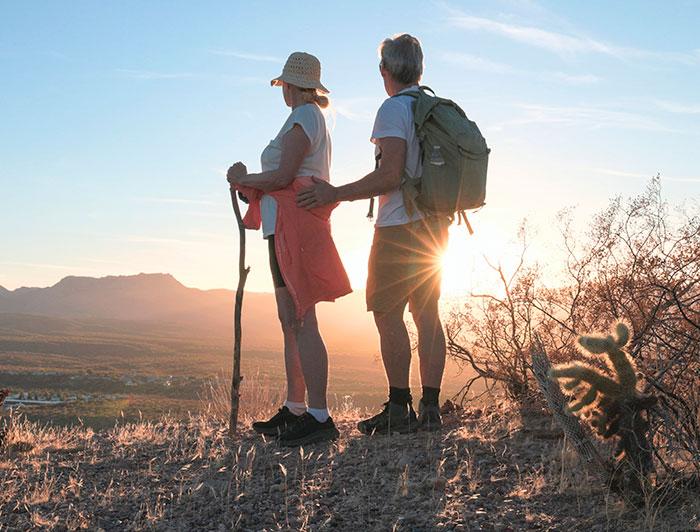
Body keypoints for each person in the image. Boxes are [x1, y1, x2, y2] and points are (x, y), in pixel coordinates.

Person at [297, 34, 448, 433]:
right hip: (435, 226)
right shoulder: (430, 107)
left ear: (385, 70)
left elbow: (390, 174)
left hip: (399, 225)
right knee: (428, 313)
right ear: (419, 69)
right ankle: (430, 406)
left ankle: (399, 408)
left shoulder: (393, 109)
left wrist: (336, 194)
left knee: (387, 312)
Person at [227, 52, 351, 446]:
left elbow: (283, 175)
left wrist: (245, 179)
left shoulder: (304, 117)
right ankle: (296, 408)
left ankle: (318, 414)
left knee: (302, 316)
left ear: (290, 86)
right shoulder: (306, 117)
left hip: (293, 224)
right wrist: (249, 184)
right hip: (283, 224)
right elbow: (285, 176)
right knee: (291, 318)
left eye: (283, 85)